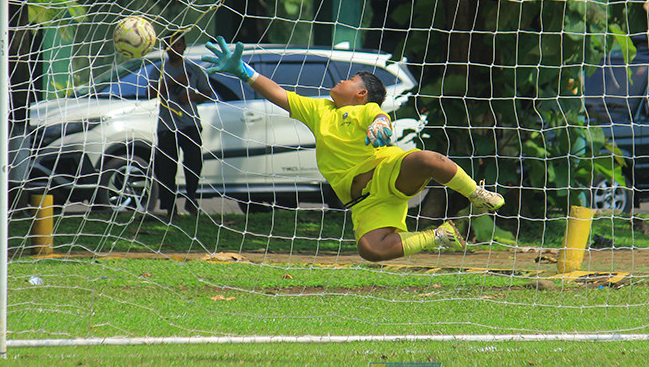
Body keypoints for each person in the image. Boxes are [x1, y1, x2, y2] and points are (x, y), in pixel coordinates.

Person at [203, 38, 504, 262]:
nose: (341, 80)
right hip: (365, 202)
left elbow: (378, 116)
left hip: (388, 172)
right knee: (370, 250)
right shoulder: (318, 109)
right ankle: (439, 236)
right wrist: (244, 72)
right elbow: (280, 94)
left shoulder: (363, 110)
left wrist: (380, 126)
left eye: (349, 79)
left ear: (360, 94)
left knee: (427, 159)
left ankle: (476, 194)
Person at [147, 31, 217, 220]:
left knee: (194, 162)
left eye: (178, 45)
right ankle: (170, 208)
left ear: (184, 46)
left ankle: (191, 199)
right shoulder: (159, 70)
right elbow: (151, 93)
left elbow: (207, 93)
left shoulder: (194, 69)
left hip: (190, 123)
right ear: (164, 49)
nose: (174, 49)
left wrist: (192, 96)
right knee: (167, 166)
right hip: (167, 125)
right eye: (169, 45)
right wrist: (173, 82)